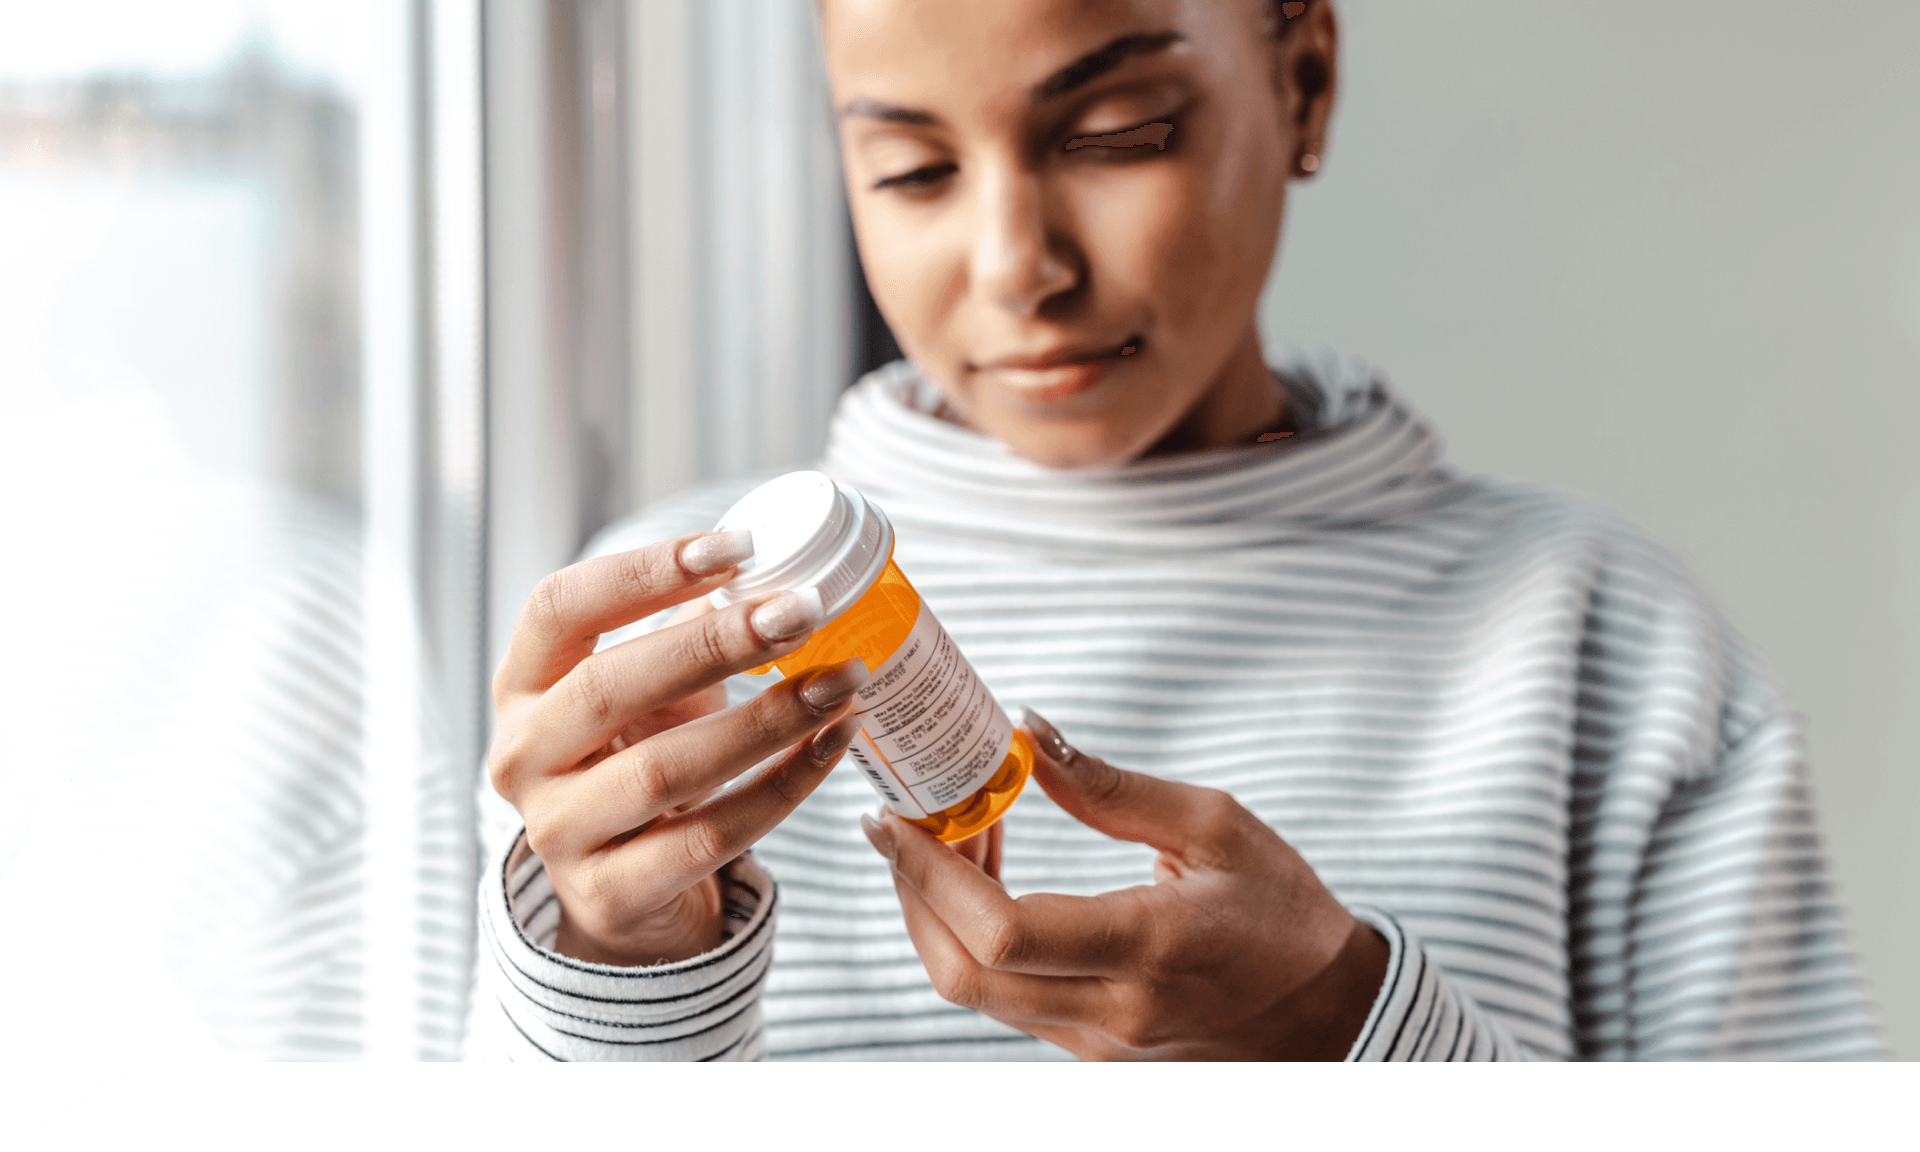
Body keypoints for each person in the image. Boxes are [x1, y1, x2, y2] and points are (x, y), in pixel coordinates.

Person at [466, 0, 1887, 1060]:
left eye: (1115, 135)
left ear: (1306, 78)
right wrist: (613, 980)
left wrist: (1348, 1034)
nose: (1020, 265)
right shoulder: (650, 669)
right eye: (912, 171)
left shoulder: (1601, 643)